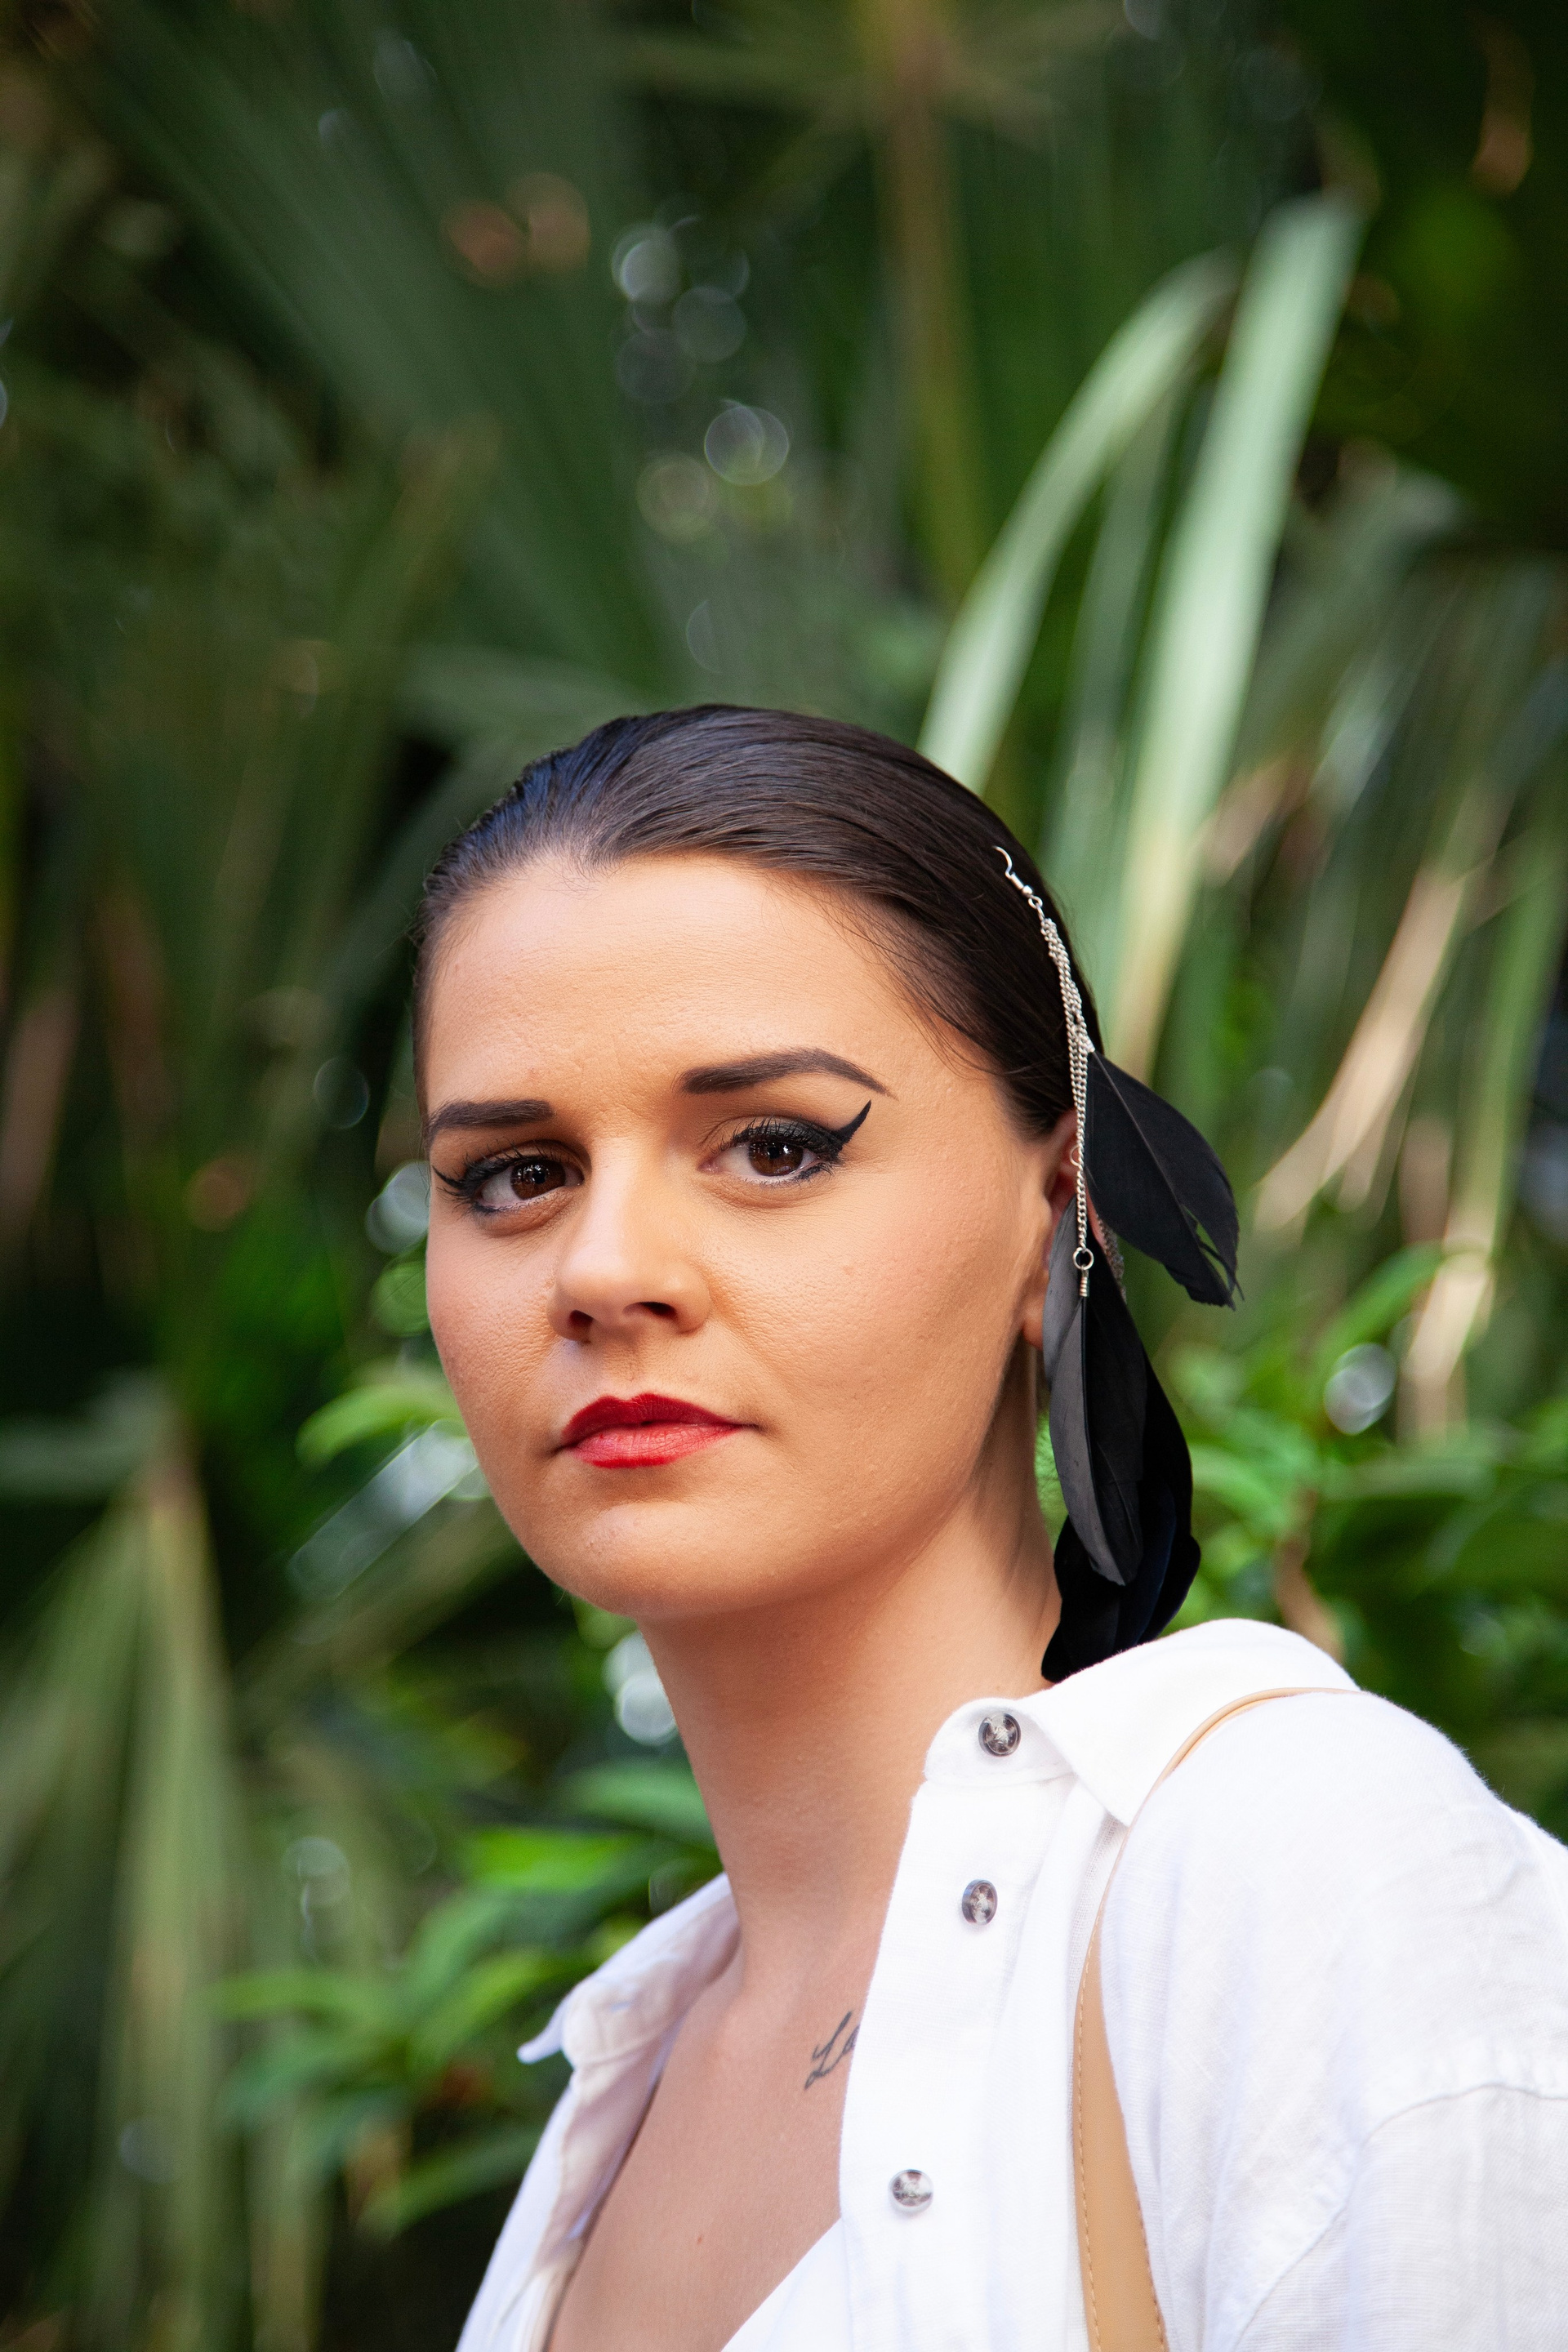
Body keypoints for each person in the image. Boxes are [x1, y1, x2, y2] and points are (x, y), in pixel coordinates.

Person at [418, 706, 1568, 2352]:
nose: (604, 1269)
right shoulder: (626, 2078)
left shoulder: (1301, 1869)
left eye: (774, 1147)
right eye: (516, 1173)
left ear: (1060, 1213)